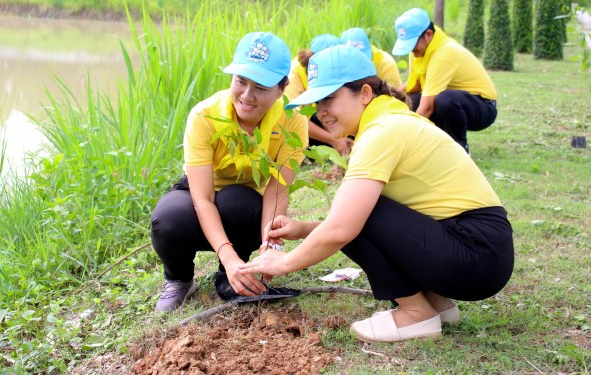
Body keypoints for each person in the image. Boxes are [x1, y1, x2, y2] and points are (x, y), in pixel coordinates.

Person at [239, 45, 514, 343]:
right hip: (480, 251)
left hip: (475, 256)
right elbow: (386, 223)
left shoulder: (382, 132)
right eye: (317, 103)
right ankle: (435, 303)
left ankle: (415, 315)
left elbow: (345, 227)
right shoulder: (391, 121)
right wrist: (304, 229)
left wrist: (283, 263)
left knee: (357, 212)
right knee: (360, 210)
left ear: (366, 94)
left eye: (330, 98)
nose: (322, 112)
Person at [150, 31, 308, 312]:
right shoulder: (205, 116)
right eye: (241, 82)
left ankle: (234, 274)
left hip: (247, 202)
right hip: (202, 193)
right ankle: (179, 279)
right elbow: (203, 199)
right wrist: (226, 252)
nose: (247, 96)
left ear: (282, 88)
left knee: (238, 201)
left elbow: (276, 189)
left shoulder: (293, 124)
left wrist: (269, 246)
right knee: (168, 219)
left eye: (261, 87)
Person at [392, 8, 498, 154]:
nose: (411, 51)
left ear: (428, 35)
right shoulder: (418, 51)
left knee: (444, 100)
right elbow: (414, 86)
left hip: (482, 107)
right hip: (455, 100)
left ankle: (460, 149)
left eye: (413, 45)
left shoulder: (445, 52)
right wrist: (389, 95)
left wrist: (406, 140)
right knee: (410, 102)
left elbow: (427, 107)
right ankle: (435, 145)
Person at [286, 33, 354, 155]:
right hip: (290, 125)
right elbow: (293, 119)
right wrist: (333, 140)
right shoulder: (292, 76)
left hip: (313, 113)